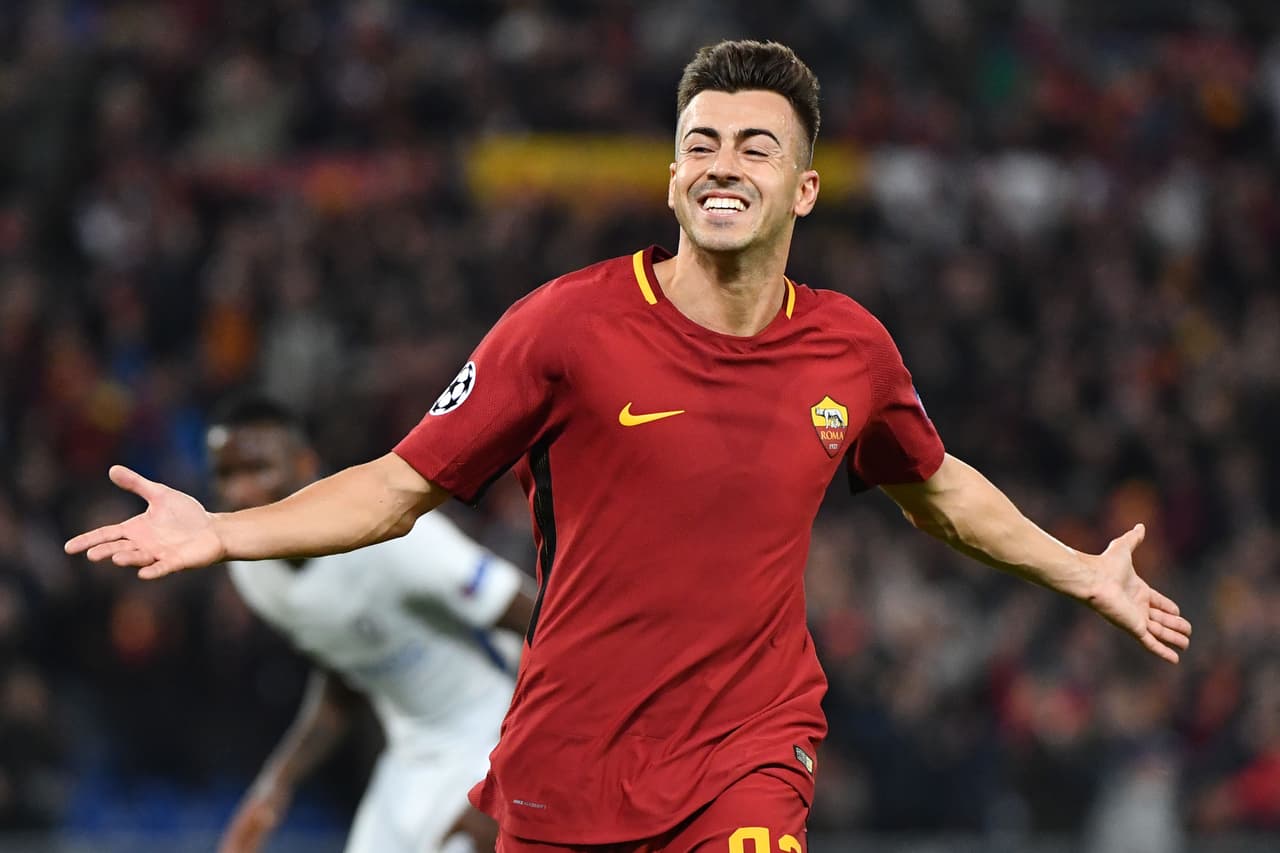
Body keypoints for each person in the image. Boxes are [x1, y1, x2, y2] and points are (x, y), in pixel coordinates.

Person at [66, 40, 1192, 853]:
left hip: (747, 752)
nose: (720, 163)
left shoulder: (851, 348)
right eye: (699, 143)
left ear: (801, 187)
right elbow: (398, 484)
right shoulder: (566, 326)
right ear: (669, 175)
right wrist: (223, 530)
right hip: (569, 760)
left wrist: (1077, 569)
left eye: (753, 147)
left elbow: (937, 490)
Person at [204, 396, 535, 853]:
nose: (240, 492)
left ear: (305, 464)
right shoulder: (252, 572)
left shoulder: (393, 538)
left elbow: (541, 619)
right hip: (411, 752)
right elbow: (345, 672)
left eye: (257, 469)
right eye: (226, 475)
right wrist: (274, 787)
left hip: (501, 727)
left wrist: (517, 775)